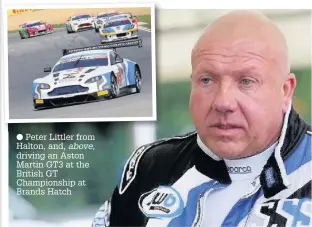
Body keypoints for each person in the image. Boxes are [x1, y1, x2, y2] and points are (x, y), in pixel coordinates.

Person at [92, 10, 311, 227]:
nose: (223, 102)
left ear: (285, 91)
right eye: (207, 80)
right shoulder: (150, 167)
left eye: (246, 81)